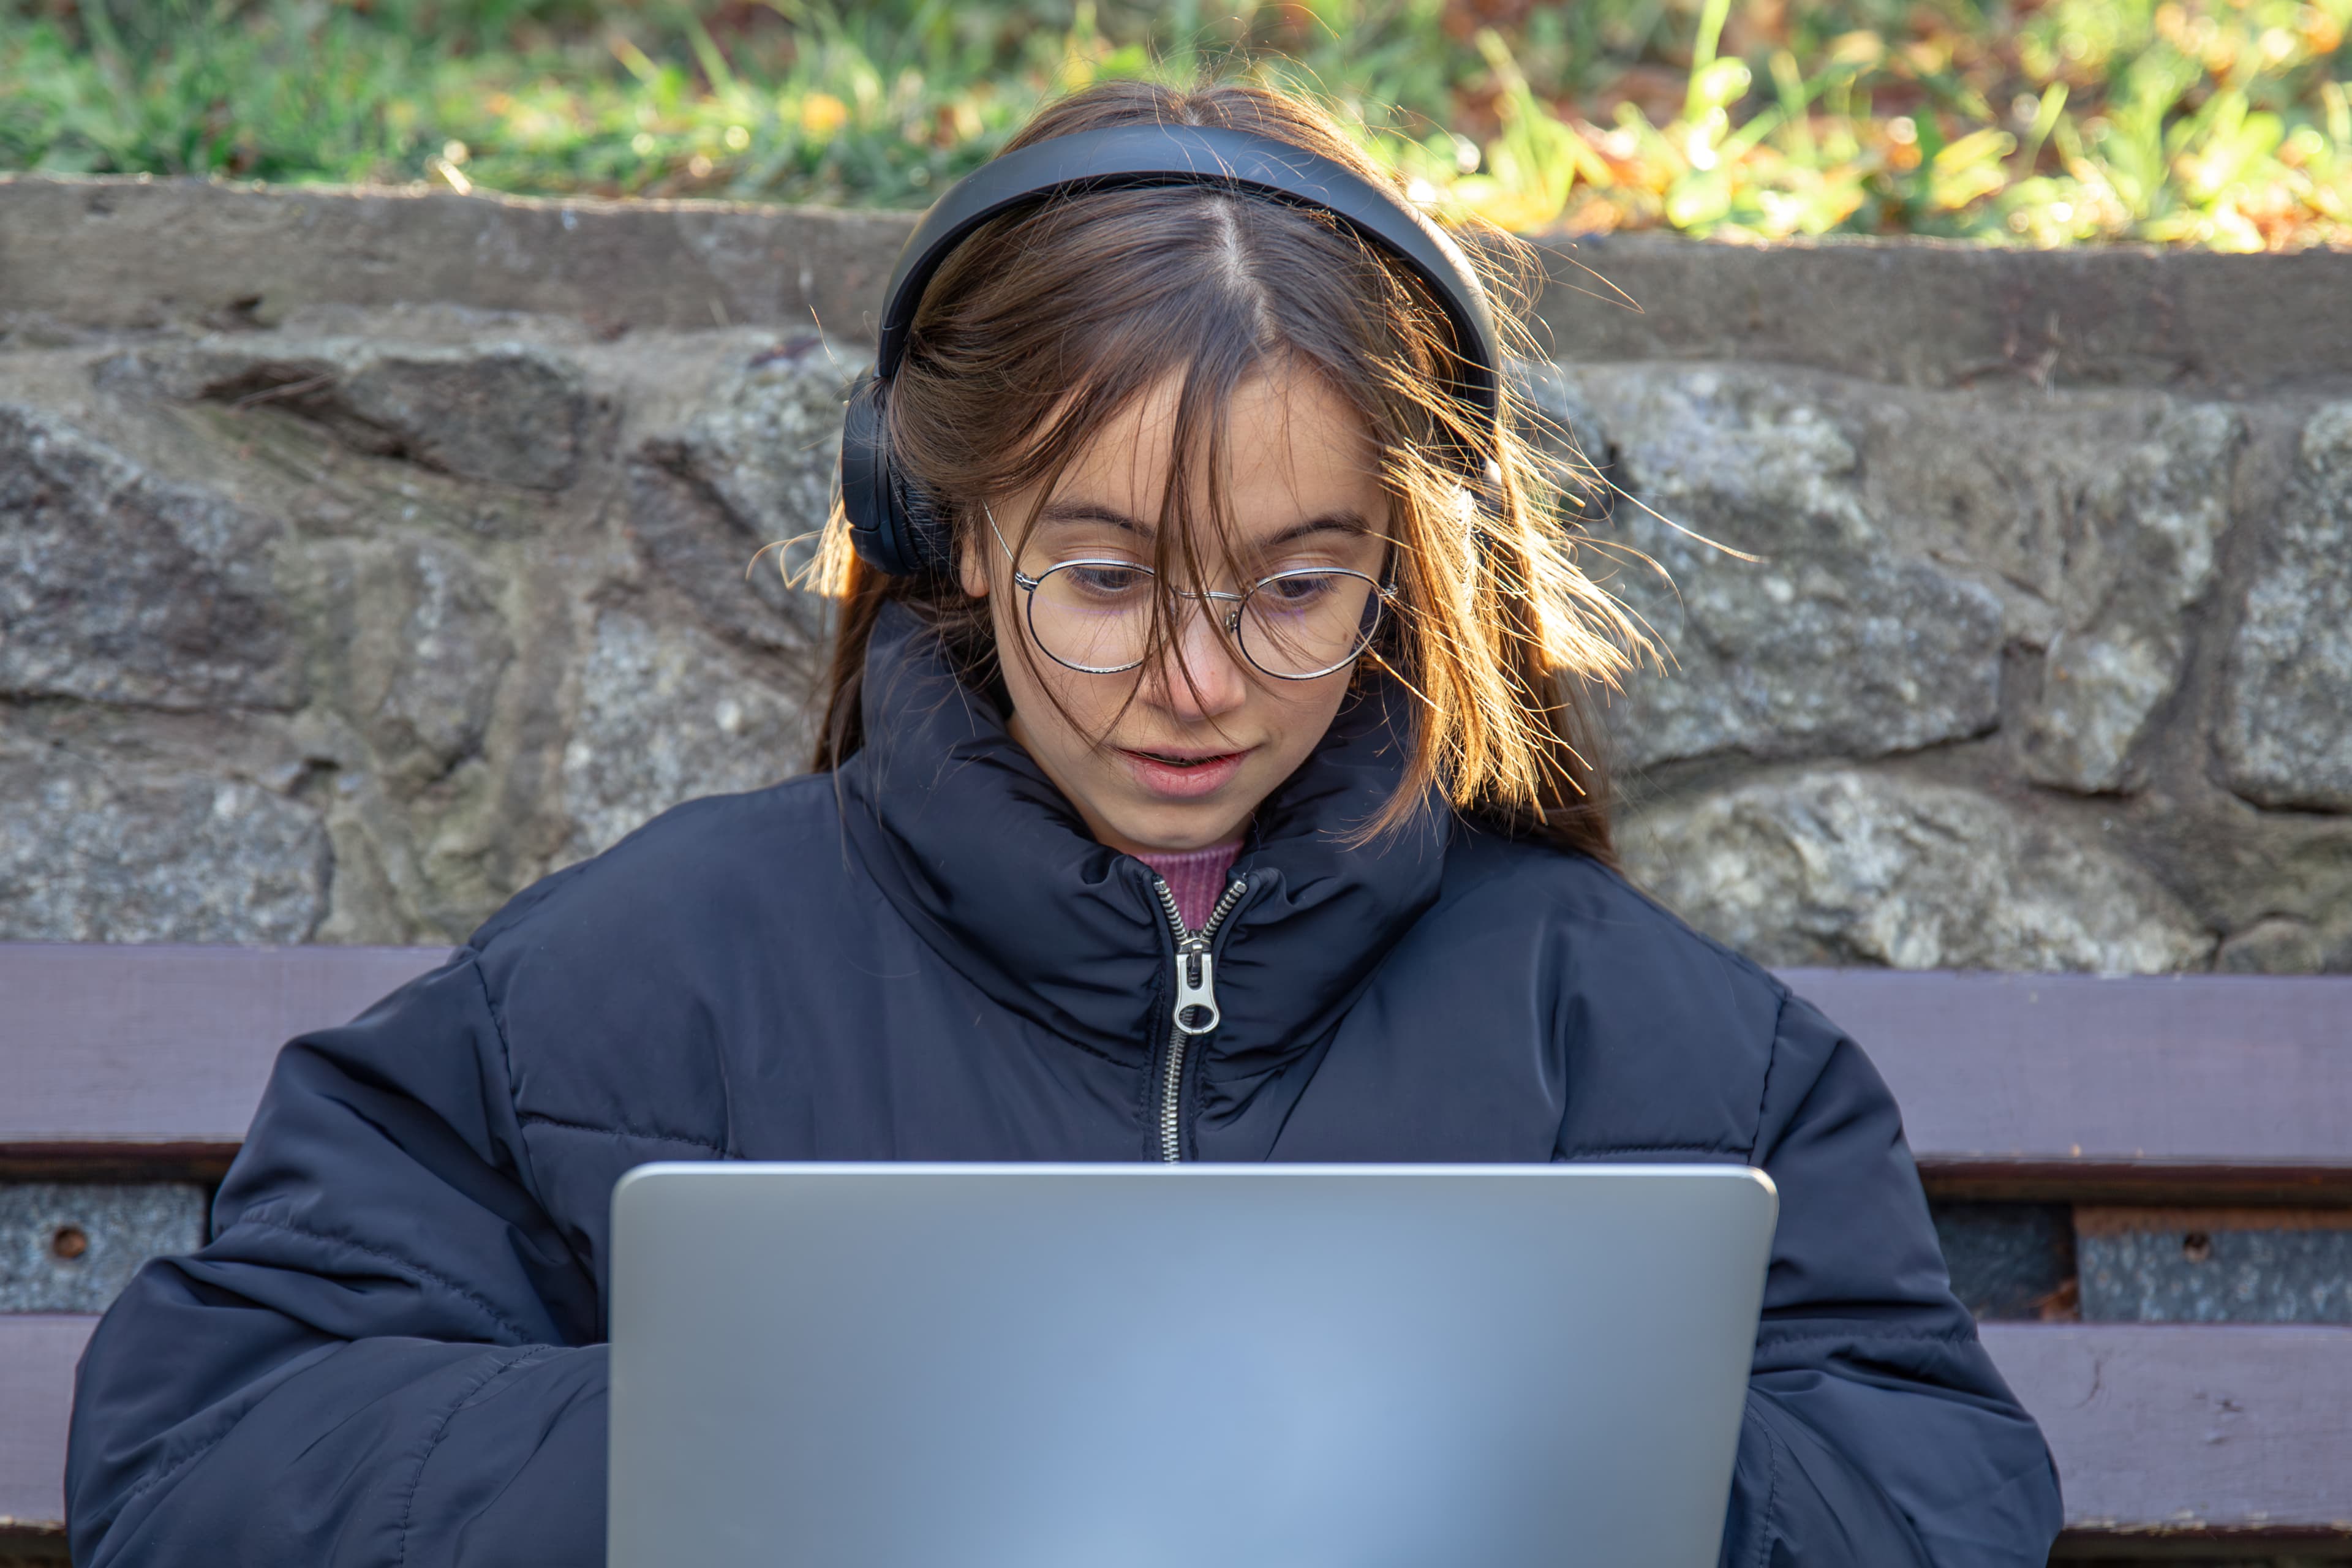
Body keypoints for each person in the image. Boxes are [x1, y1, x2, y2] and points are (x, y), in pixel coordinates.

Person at [65, 78, 2062, 1568]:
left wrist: (1548, 1461)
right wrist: (736, 1453)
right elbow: (205, 1455)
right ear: (944, 528)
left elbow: (1937, 1488)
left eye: (1297, 584)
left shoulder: (1657, 1043)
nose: (1197, 682)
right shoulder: (632, 983)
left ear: (1406, 564)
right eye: (1104, 578)